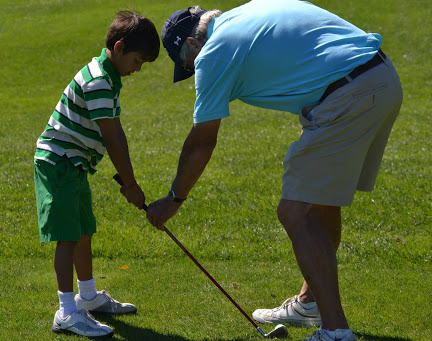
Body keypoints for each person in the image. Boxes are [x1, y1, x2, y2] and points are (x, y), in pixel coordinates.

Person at [147, 1, 402, 340]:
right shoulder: (249, 11)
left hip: (348, 94)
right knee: (319, 203)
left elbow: (202, 142)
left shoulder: (213, 53)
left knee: (295, 210)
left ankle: (336, 331)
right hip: (381, 79)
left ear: (193, 45)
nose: (195, 72)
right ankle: (309, 304)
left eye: (188, 65)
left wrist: (173, 200)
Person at [34, 10, 159, 339]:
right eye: (137, 61)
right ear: (119, 48)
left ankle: (87, 297)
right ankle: (66, 312)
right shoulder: (98, 81)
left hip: (74, 164)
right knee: (68, 235)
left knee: (83, 230)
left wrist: (132, 183)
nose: (138, 69)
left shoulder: (109, 76)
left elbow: (118, 133)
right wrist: (130, 185)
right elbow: (112, 139)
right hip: (58, 161)